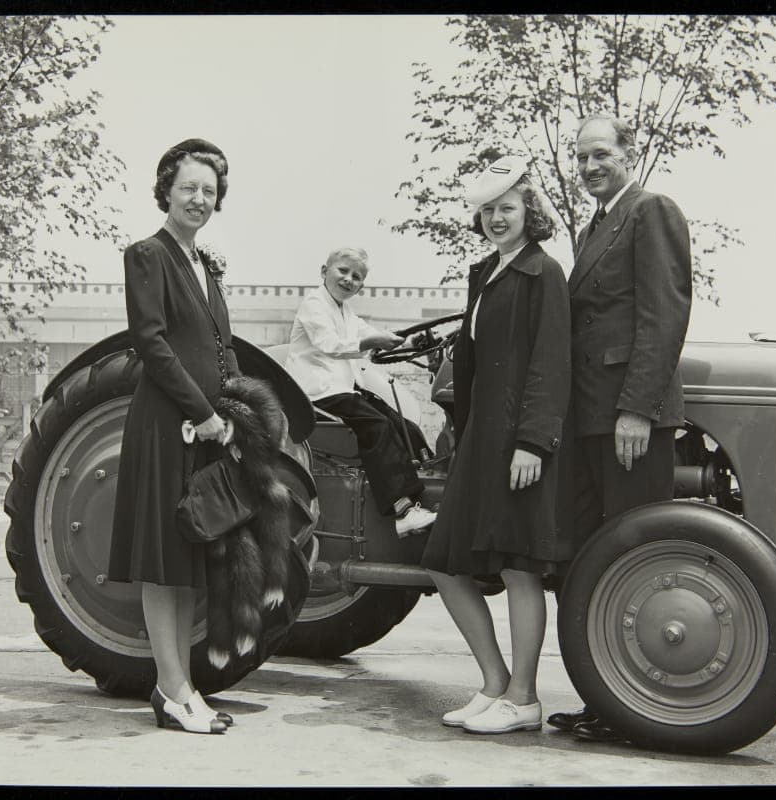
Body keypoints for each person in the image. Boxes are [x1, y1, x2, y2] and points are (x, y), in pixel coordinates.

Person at [546, 113, 693, 742]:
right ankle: (605, 699)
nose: (589, 167)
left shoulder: (650, 209)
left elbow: (664, 313)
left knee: (631, 563)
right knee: (590, 562)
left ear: (629, 153)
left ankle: (638, 707)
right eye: (581, 158)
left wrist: (636, 407)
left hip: (626, 420)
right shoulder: (595, 225)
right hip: (589, 421)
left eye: (600, 154)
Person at [419, 155, 571, 734]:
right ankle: (493, 683)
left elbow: (549, 363)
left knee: (518, 571)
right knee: (443, 562)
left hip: (520, 447)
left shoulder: (543, 272)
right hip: (481, 443)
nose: (497, 219)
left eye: (507, 208)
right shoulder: (485, 272)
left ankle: (525, 698)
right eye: (487, 211)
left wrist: (533, 442)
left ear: (530, 213)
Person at [106, 138, 240, 735]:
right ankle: (172, 688)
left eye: (209, 191)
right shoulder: (147, 255)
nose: (199, 199)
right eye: (188, 187)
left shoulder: (206, 265)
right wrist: (201, 411)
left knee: (186, 561)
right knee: (164, 564)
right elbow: (152, 344)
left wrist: (233, 408)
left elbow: (223, 348)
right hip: (167, 428)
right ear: (167, 189)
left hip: (207, 430)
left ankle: (180, 687)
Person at [283, 246, 437, 536]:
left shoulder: (347, 312)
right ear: (324, 271)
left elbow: (371, 334)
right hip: (316, 393)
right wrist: (372, 341)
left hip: (342, 391)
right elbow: (331, 345)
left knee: (405, 426)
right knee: (377, 426)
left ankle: (425, 494)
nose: (348, 280)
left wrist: (410, 342)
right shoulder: (314, 304)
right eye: (343, 271)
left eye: (357, 276)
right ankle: (402, 510)